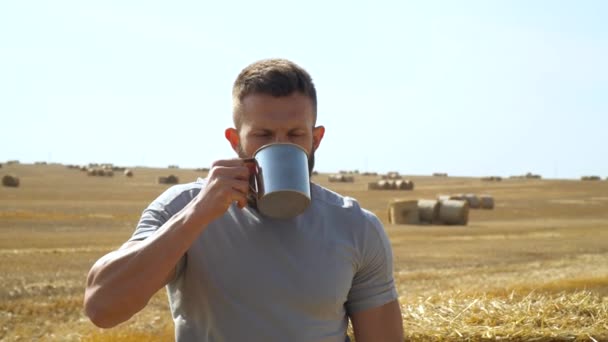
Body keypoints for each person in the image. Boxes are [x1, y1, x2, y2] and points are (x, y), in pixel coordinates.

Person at [84, 58, 404, 341]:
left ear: (316, 139)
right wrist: (198, 213)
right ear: (235, 140)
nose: (281, 145)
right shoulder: (181, 208)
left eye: (295, 135)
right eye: (263, 135)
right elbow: (102, 308)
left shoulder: (356, 226)